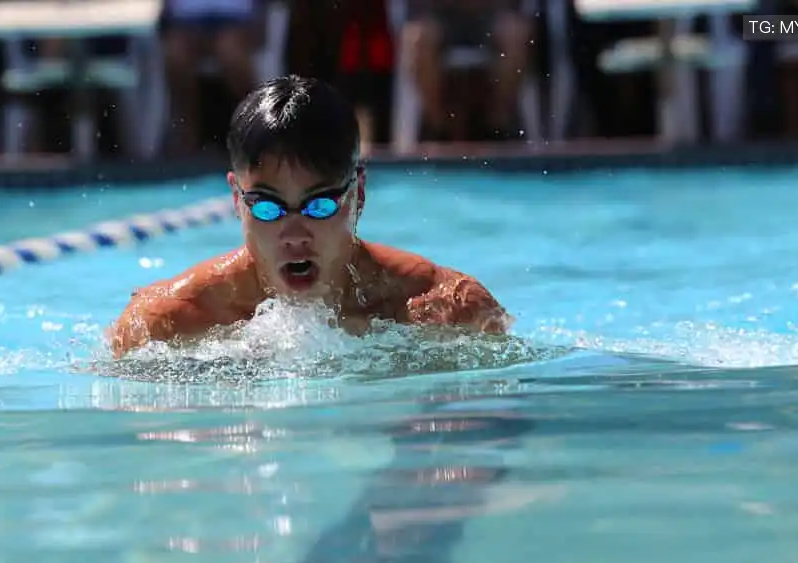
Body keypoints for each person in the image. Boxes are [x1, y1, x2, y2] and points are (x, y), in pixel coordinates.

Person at [108, 75, 511, 358]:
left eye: (319, 205)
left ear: (359, 194)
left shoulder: (448, 307)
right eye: (267, 207)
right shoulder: (165, 323)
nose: (294, 234)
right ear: (236, 198)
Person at [401, 0, 532, 141]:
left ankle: (498, 127)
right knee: (418, 38)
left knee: (515, 35)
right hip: (439, 16)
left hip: (492, 15)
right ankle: (438, 129)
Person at [159, 0, 262, 154]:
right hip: (185, 21)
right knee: (176, 59)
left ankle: (252, 131)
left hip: (234, 19)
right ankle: (187, 141)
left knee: (232, 57)